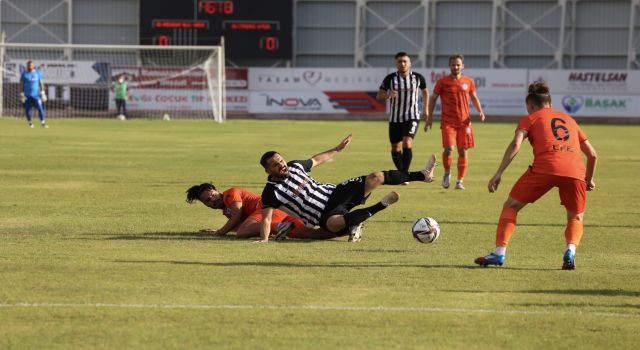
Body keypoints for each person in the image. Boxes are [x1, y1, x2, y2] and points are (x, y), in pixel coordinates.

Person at [474, 81, 598, 270]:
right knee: (575, 217)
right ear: (550, 103)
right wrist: (588, 179)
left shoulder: (530, 119)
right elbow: (592, 154)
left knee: (511, 206)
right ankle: (571, 251)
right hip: (574, 171)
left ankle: (499, 253)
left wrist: (499, 173)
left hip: (544, 168)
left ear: (531, 105)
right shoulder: (569, 120)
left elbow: (516, 144)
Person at [258, 134, 437, 243]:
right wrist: (264, 239)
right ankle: (381, 205)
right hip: (323, 215)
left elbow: (317, 159)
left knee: (376, 177)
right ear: (268, 170)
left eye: (280, 160)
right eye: (275, 165)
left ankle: (422, 175)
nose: (281, 165)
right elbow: (266, 219)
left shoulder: (295, 165)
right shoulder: (270, 192)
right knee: (334, 225)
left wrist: (337, 149)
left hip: (335, 193)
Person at [185, 183, 338, 240]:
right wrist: (222, 230)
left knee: (241, 233)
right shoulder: (226, 210)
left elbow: (238, 217)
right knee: (310, 234)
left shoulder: (230, 194)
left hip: (267, 211)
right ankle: (346, 228)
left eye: (212, 195)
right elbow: (238, 224)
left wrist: (220, 232)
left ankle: (277, 228)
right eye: (208, 201)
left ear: (217, 190)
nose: (213, 200)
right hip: (274, 215)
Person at [426, 53, 485, 190]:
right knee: (449, 149)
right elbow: (433, 98)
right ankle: (447, 173)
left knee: (463, 151)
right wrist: (429, 117)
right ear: (449, 66)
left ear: (462, 66)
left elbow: (474, 97)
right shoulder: (442, 82)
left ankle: (460, 181)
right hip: (448, 122)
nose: (456, 67)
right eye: (453, 65)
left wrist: (480, 111)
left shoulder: (468, 81)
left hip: (464, 123)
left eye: (458, 65)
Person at [377, 52, 429, 178]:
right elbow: (379, 95)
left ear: (410, 63)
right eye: (400, 61)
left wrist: (426, 109)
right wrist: (388, 95)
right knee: (395, 148)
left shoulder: (418, 78)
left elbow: (425, 91)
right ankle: (401, 172)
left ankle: (404, 173)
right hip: (395, 118)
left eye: (405, 61)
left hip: (412, 116)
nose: (403, 64)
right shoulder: (390, 79)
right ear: (396, 63)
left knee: (407, 142)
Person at [20, 60, 48, 128]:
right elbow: (22, 84)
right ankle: (30, 123)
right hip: (27, 95)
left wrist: (43, 92)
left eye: (30, 65)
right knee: (27, 110)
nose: (29, 66)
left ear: (33, 66)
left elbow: (41, 83)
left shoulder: (38, 73)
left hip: (36, 95)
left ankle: (42, 123)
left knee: (40, 108)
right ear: (27, 66)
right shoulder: (24, 74)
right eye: (28, 65)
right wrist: (22, 94)